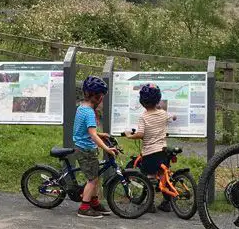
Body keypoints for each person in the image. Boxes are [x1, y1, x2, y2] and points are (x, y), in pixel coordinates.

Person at [120, 83, 177, 213]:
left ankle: (149, 204)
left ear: (142, 102)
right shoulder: (163, 113)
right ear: (158, 100)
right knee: (164, 176)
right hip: (163, 151)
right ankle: (166, 203)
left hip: (150, 153)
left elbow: (140, 134)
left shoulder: (143, 117)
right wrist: (174, 116)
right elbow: (173, 117)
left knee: (148, 178)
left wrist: (129, 135)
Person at [71, 76, 117, 218]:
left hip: (82, 146)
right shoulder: (90, 112)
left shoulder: (81, 107)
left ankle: (95, 203)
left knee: (95, 177)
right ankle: (84, 207)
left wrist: (101, 134)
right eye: (101, 96)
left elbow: (85, 130)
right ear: (97, 97)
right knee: (92, 180)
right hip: (86, 150)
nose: (102, 99)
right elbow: (92, 135)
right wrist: (107, 148)